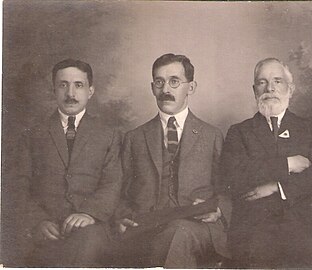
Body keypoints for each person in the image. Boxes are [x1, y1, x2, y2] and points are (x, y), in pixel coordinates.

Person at [112, 53, 231, 268]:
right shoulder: (134, 138)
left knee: (178, 233)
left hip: (196, 227)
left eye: (174, 82)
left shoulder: (212, 135)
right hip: (145, 226)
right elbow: (119, 189)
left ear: (191, 87)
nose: (165, 90)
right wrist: (121, 216)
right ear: (152, 87)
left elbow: (228, 187)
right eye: (159, 82)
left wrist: (219, 210)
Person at [220, 58, 312, 268]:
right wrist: (287, 164)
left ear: (290, 89)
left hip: (303, 225)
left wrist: (278, 187)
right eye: (262, 82)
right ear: (254, 89)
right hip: (254, 228)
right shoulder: (239, 132)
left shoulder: (310, 129)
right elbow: (234, 176)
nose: (270, 88)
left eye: (277, 81)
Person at [16, 59, 123, 267]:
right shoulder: (32, 135)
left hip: (92, 227)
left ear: (90, 91)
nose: (70, 94)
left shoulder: (109, 135)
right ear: (53, 89)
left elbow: (113, 182)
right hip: (47, 228)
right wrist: (38, 221)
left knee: (87, 244)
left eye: (78, 85)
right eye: (63, 85)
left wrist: (89, 213)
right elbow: (19, 184)